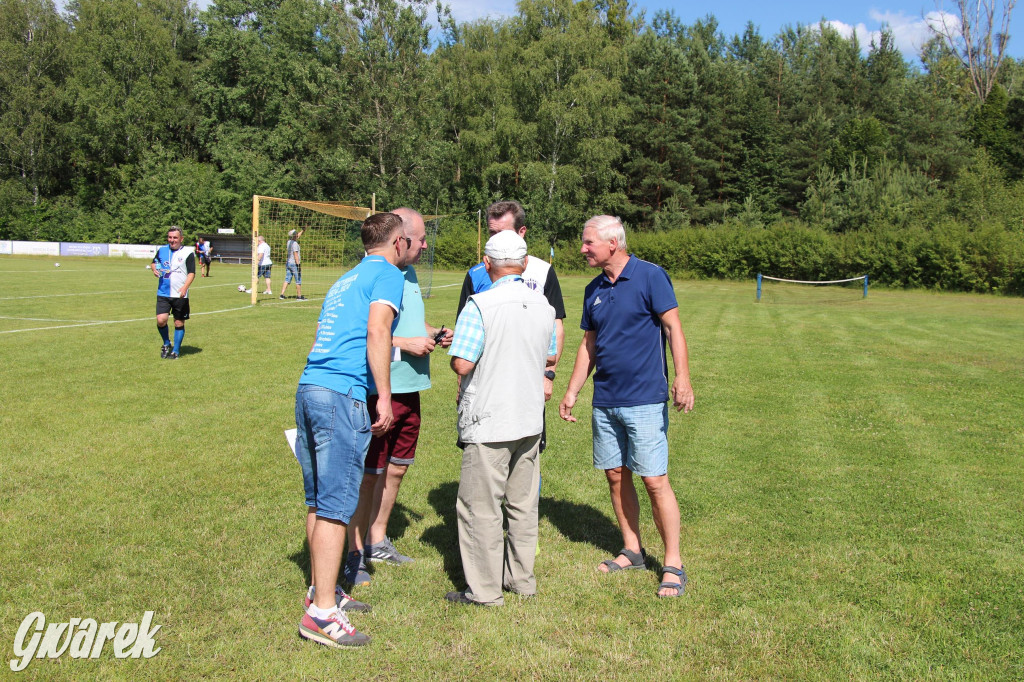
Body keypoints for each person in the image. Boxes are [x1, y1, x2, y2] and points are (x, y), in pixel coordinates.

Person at [558, 215, 695, 599]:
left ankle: (673, 562)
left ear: (612, 244)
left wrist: (682, 378)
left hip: (646, 400)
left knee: (654, 480)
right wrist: (573, 391)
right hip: (606, 401)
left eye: (588, 243)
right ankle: (632, 549)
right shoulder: (593, 288)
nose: (582, 249)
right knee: (616, 476)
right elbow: (589, 345)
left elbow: (673, 328)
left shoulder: (651, 276)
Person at [294, 212, 410, 648]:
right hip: (341, 393)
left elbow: (318, 339)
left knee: (318, 498)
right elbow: (377, 330)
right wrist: (383, 395)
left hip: (310, 386)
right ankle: (323, 615)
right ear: (397, 243)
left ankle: (320, 592)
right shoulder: (387, 276)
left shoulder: (345, 279)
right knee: (336, 504)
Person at [446, 230, 557, 606]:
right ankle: (522, 579)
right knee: (524, 505)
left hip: (490, 418)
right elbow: (551, 356)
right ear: (524, 264)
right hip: (529, 418)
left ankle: (485, 590)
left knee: (481, 507)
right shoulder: (543, 305)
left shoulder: (480, 304)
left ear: (487, 265)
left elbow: (462, 362)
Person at [343, 208, 453, 587]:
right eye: (421, 239)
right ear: (400, 238)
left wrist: (433, 331)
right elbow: (363, 334)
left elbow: (403, 322)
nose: (425, 245)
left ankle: (378, 539)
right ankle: (353, 553)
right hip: (380, 389)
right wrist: (406, 344)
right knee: (369, 476)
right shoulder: (377, 274)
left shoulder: (407, 273)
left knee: (397, 468)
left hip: (412, 388)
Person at [457, 201, 565, 407]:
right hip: (483, 386)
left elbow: (555, 328)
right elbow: (467, 337)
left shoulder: (543, 271)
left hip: (529, 382)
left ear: (521, 231)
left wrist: (548, 375)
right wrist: (461, 384)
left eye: (503, 233)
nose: (496, 240)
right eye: (492, 233)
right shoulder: (476, 273)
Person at [150, 226, 195, 361]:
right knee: (161, 320)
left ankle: (175, 351)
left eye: (175, 237)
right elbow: (154, 263)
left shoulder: (188, 253)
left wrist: (185, 287)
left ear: (181, 238)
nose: (172, 240)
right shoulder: (162, 250)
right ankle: (166, 343)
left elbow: (192, 273)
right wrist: (154, 269)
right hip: (163, 292)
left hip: (179, 294)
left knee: (178, 323)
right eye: (170, 237)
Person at [280, 228, 306, 300]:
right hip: (294, 264)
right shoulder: (295, 244)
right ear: (294, 236)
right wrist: (298, 264)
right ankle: (299, 296)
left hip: (288, 263)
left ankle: (282, 294)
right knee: (298, 280)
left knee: (287, 279)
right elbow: (295, 254)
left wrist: (303, 231)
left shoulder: (289, 242)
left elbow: (298, 236)